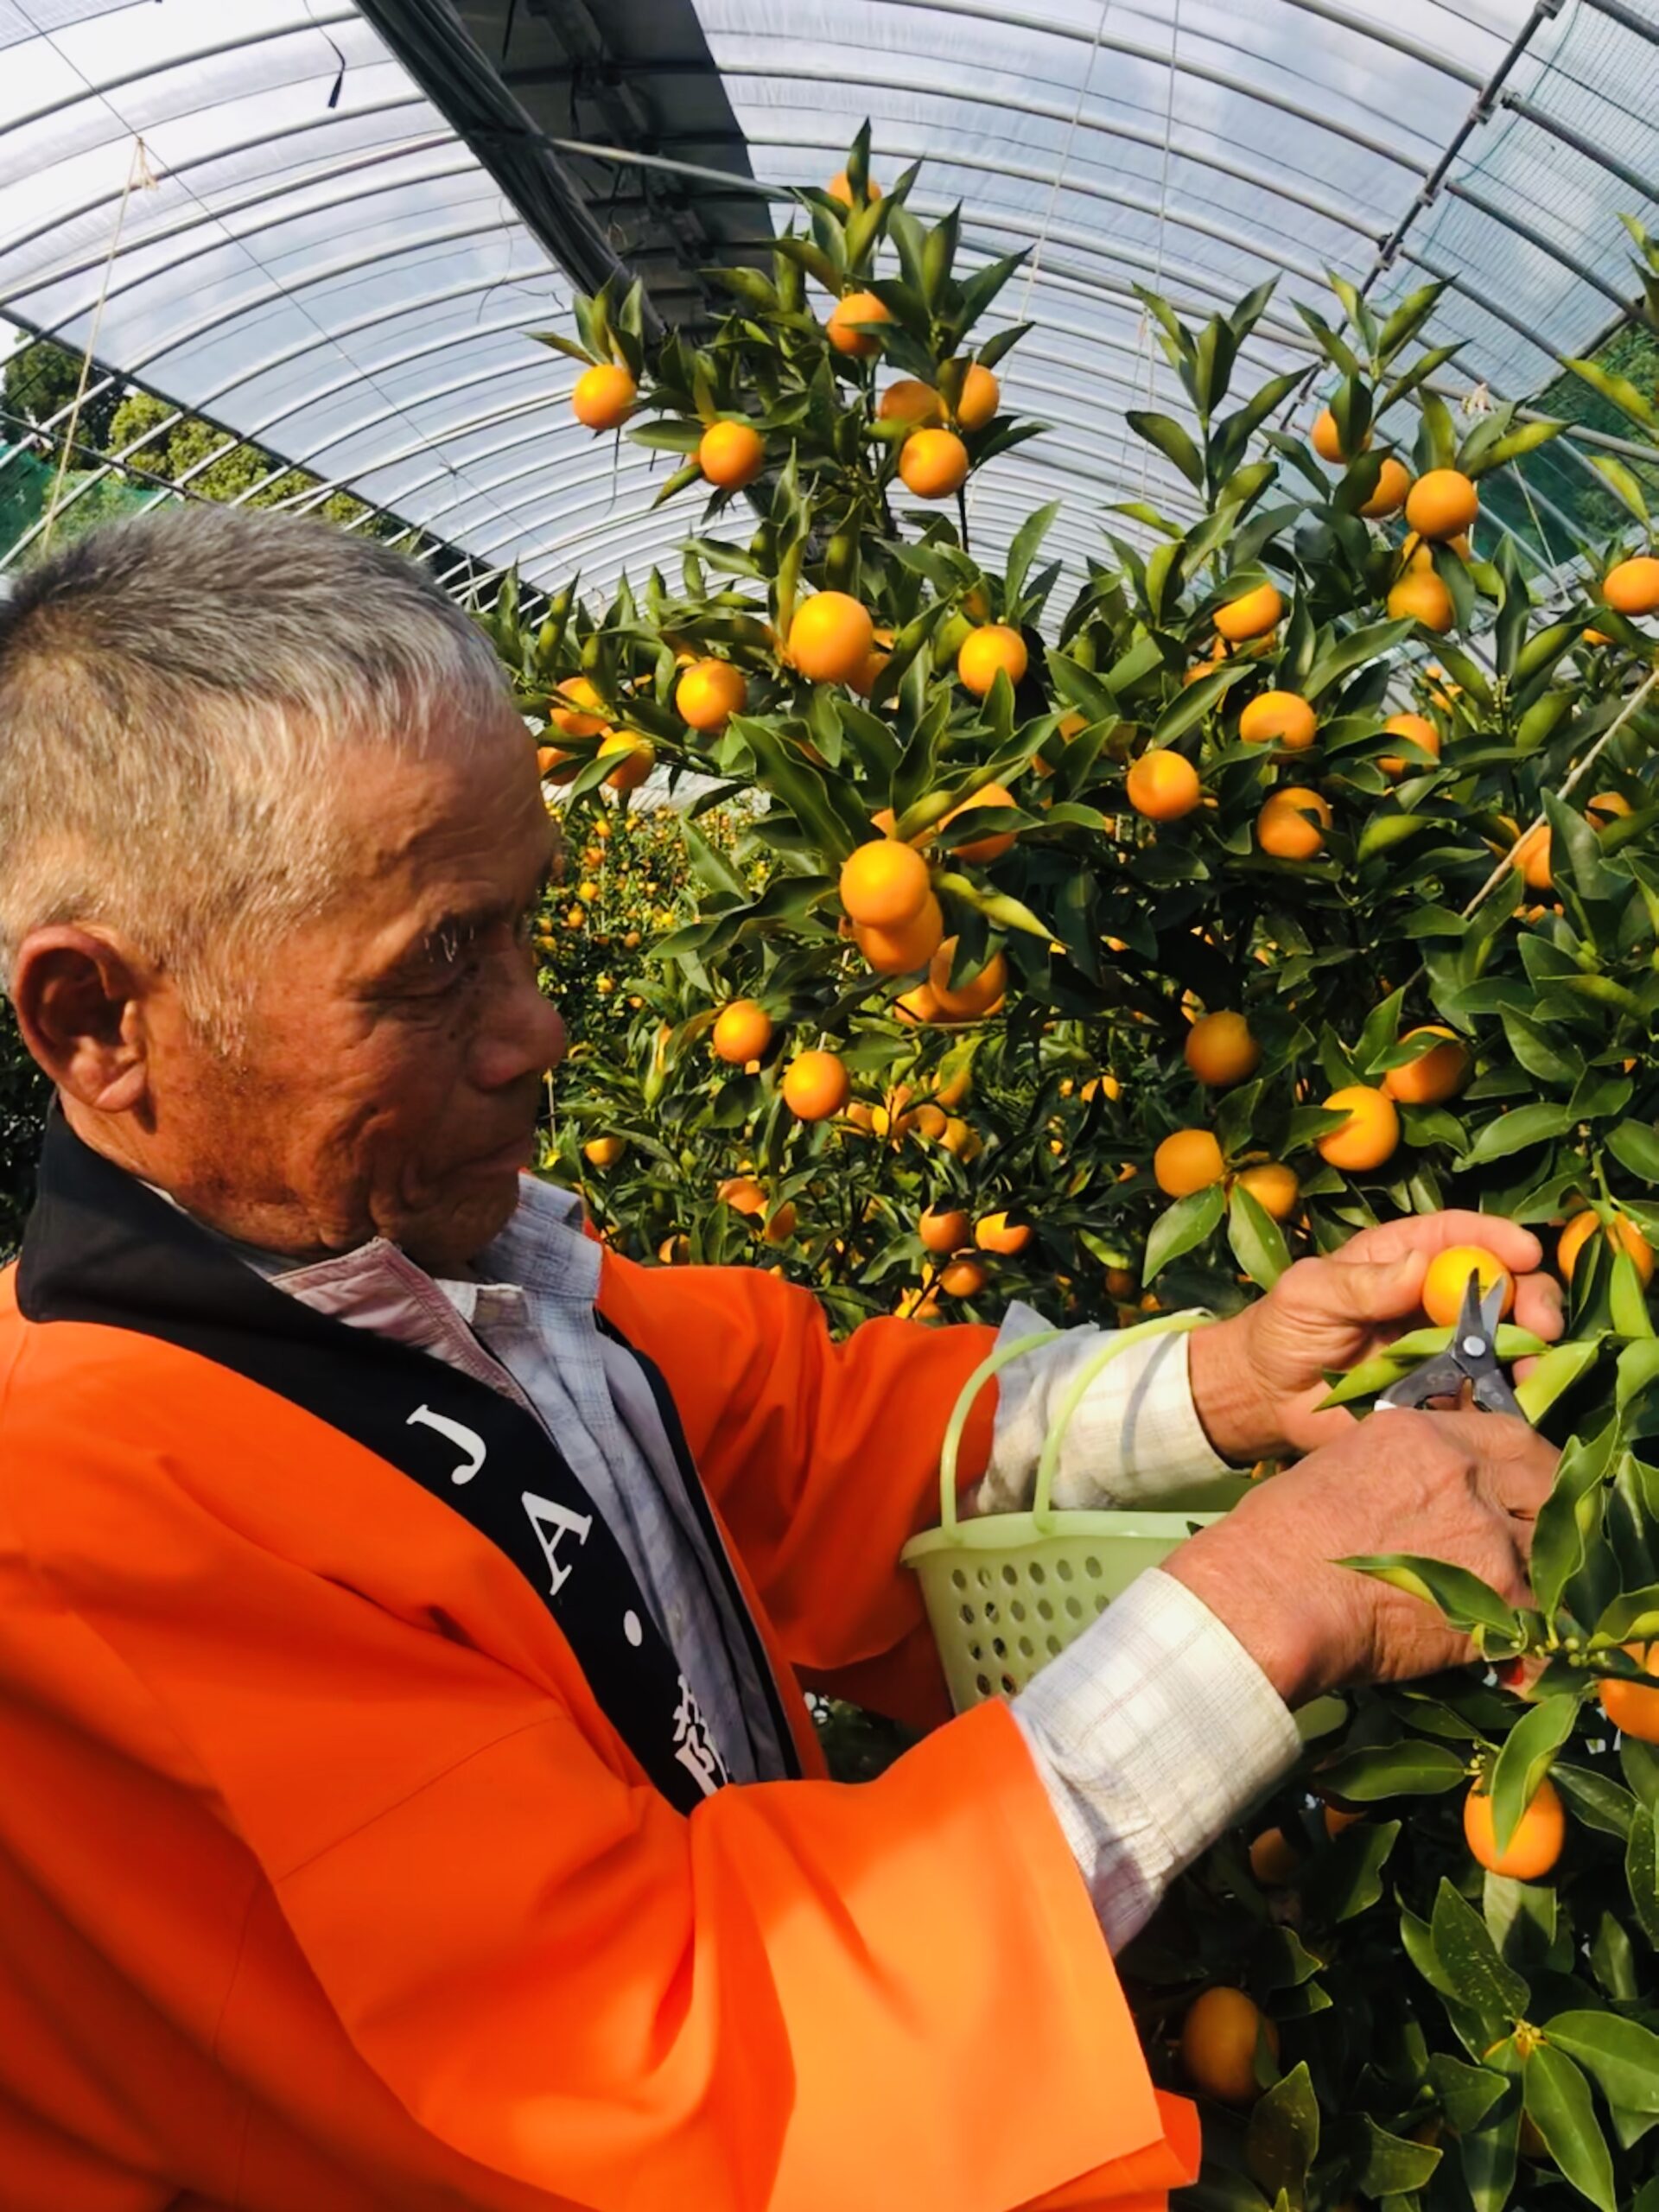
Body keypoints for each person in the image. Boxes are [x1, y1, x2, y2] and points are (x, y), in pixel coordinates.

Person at [0, 508, 1560, 2212]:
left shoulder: (445, 1283)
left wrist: (1236, 1377)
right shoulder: (78, 1546)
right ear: (97, 1020)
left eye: (519, 926)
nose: (537, 1026)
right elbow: (648, 2064)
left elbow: (824, 1436)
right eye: (436, 965)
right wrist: (1267, 1598)